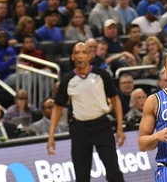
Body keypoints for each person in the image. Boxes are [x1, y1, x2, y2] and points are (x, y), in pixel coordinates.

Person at [48, 42, 125, 182]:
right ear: (72, 57)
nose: (80, 56)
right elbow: (58, 108)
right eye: (77, 53)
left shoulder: (101, 75)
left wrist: (120, 126)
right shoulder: (67, 80)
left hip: (102, 126)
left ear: (89, 56)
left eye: (83, 52)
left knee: (114, 172)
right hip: (80, 130)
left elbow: (115, 100)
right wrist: (51, 135)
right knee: (82, 176)